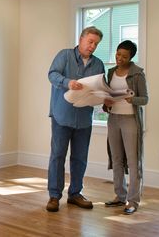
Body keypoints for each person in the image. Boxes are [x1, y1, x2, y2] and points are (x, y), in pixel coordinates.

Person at [46, 26, 105, 212]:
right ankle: (54, 196)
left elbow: (101, 87)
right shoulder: (64, 55)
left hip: (84, 119)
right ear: (81, 39)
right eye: (90, 42)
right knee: (57, 157)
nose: (92, 46)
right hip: (61, 116)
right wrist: (67, 82)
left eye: (96, 43)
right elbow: (52, 74)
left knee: (80, 158)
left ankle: (75, 194)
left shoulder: (98, 64)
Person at [102, 40, 148, 215]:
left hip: (130, 120)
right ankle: (119, 196)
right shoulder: (111, 72)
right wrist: (106, 102)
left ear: (131, 57)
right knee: (116, 159)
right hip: (113, 119)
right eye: (118, 54)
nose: (119, 58)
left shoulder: (138, 74)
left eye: (124, 56)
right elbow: (108, 94)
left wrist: (132, 99)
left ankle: (133, 200)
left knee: (133, 161)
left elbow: (145, 99)